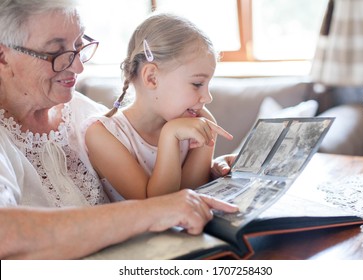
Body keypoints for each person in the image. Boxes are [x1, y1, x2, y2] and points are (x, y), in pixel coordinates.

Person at [0, 0, 237, 259]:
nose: (79, 67)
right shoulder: (98, 129)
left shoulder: (84, 112)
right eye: (57, 52)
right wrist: (154, 211)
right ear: (3, 56)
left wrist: (210, 170)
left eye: (80, 46)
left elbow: (163, 178)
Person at [84, 13, 233, 201]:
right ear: (152, 78)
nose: (207, 97)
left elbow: (191, 194)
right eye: (197, 84)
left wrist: (212, 165)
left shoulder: (199, 120)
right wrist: (170, 135)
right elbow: (157, 205)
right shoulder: (102, 135)